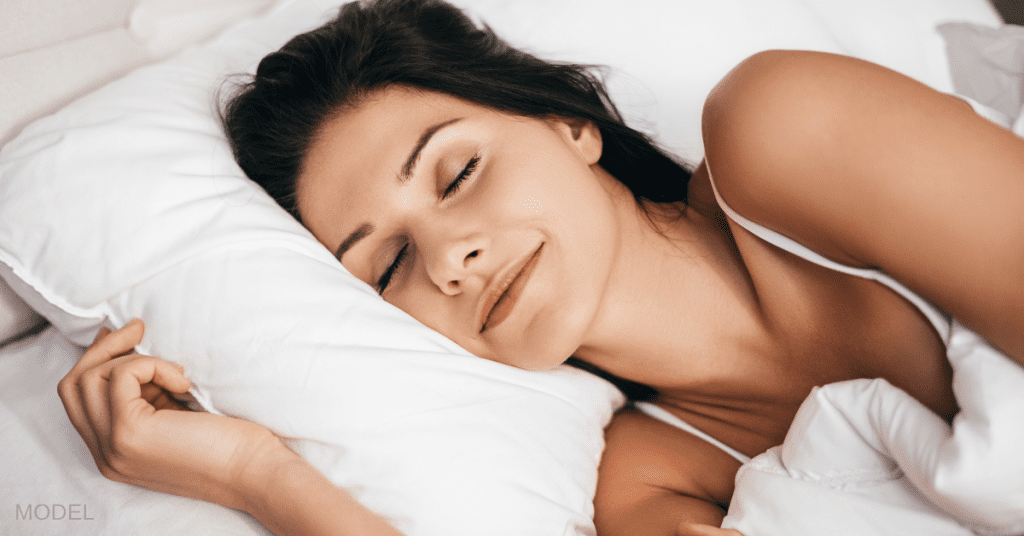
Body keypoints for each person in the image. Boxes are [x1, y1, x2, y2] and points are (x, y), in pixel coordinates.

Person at [58, 0, 1024, 534]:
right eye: (388, 265)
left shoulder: (780, 126)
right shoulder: (642, 482)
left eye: (457, 171)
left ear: (573, 125)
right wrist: (257, 476)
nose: (450, 257)